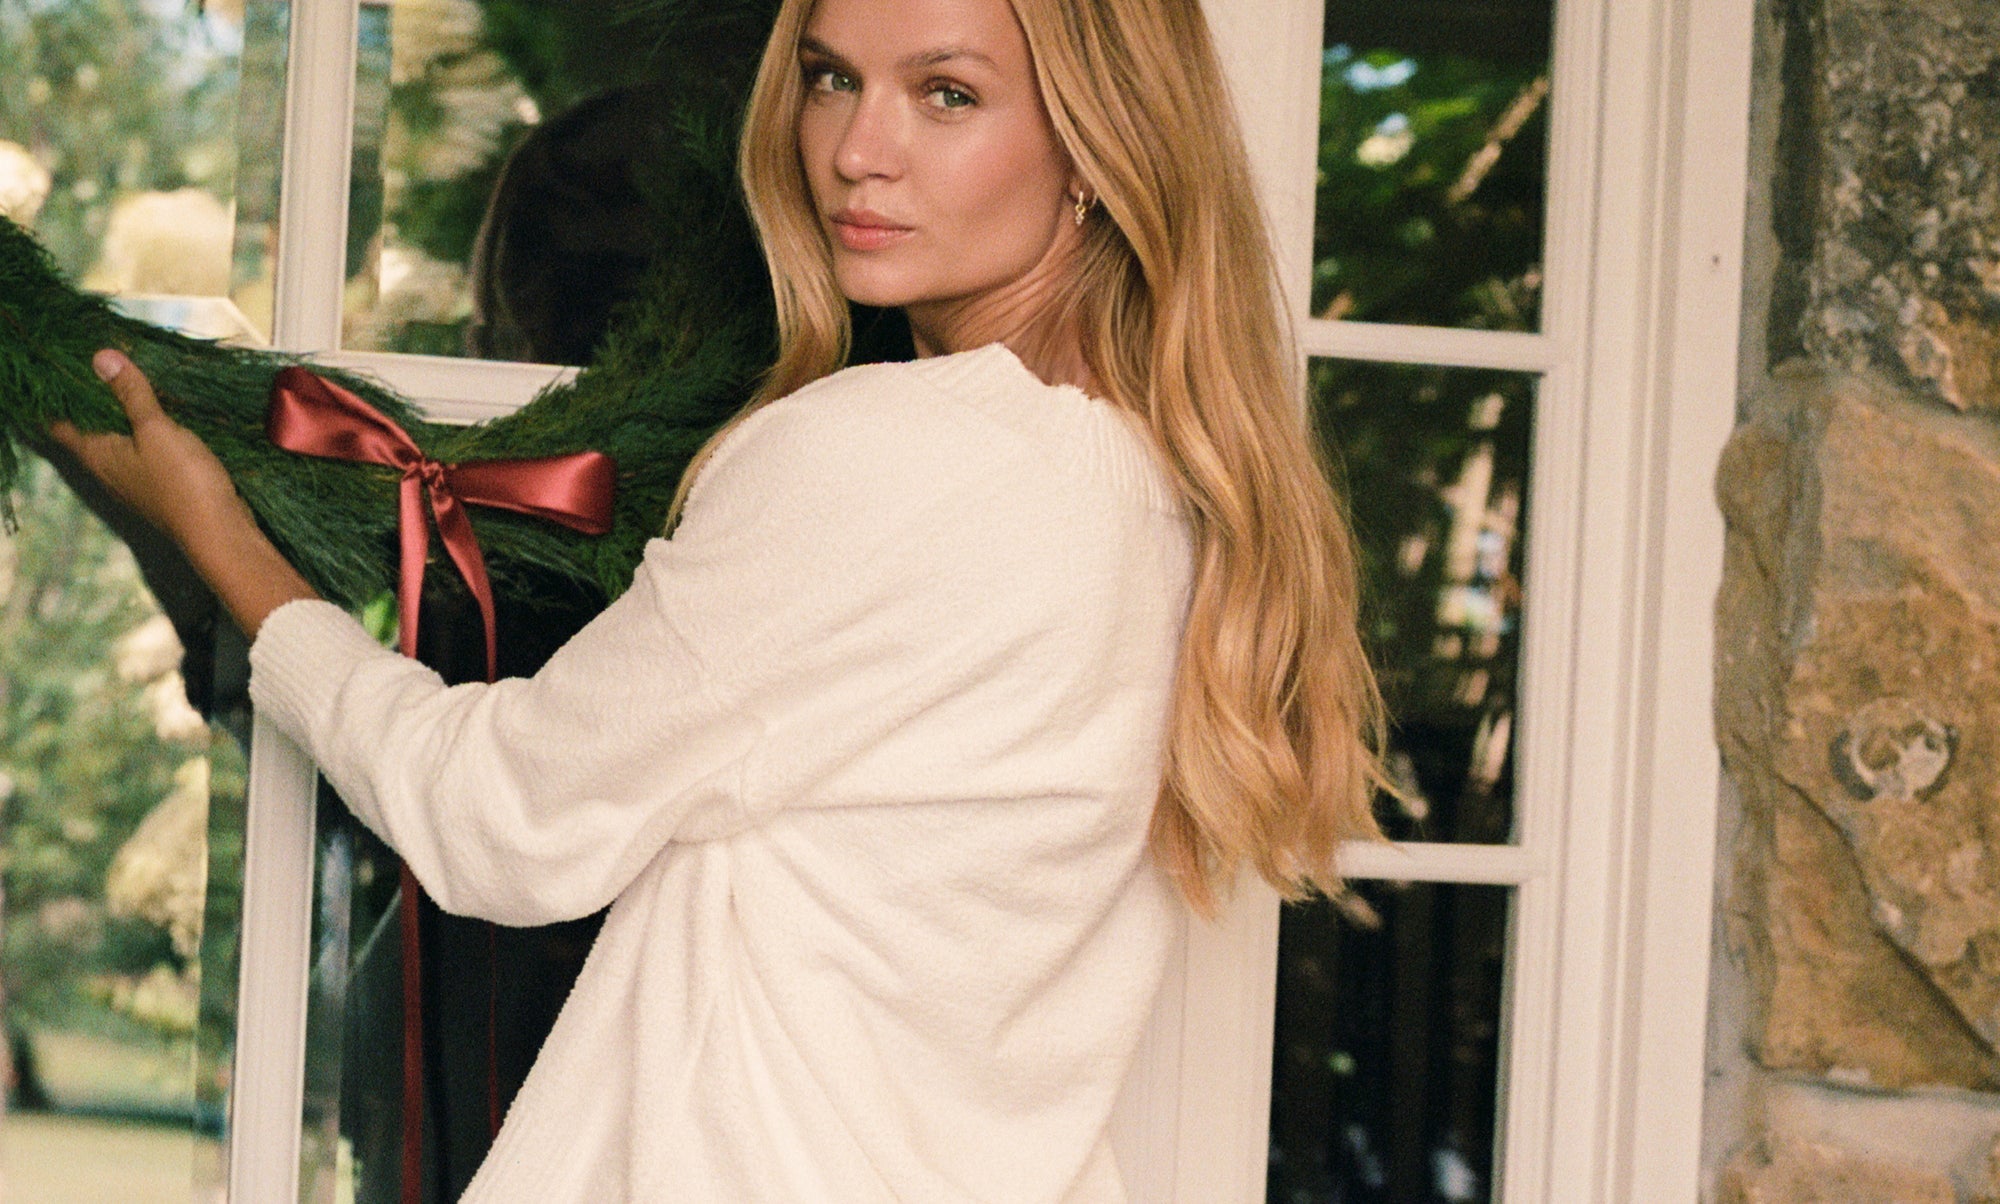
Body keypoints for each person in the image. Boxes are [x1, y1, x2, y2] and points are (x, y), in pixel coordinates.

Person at [52, 0, 1385, 1198]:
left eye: (948, 94)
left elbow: (498, 815)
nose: (857, 150)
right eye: (830, 76)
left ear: (1099, 146)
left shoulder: (888, 454)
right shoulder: (1161, 496)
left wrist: (222, 542)